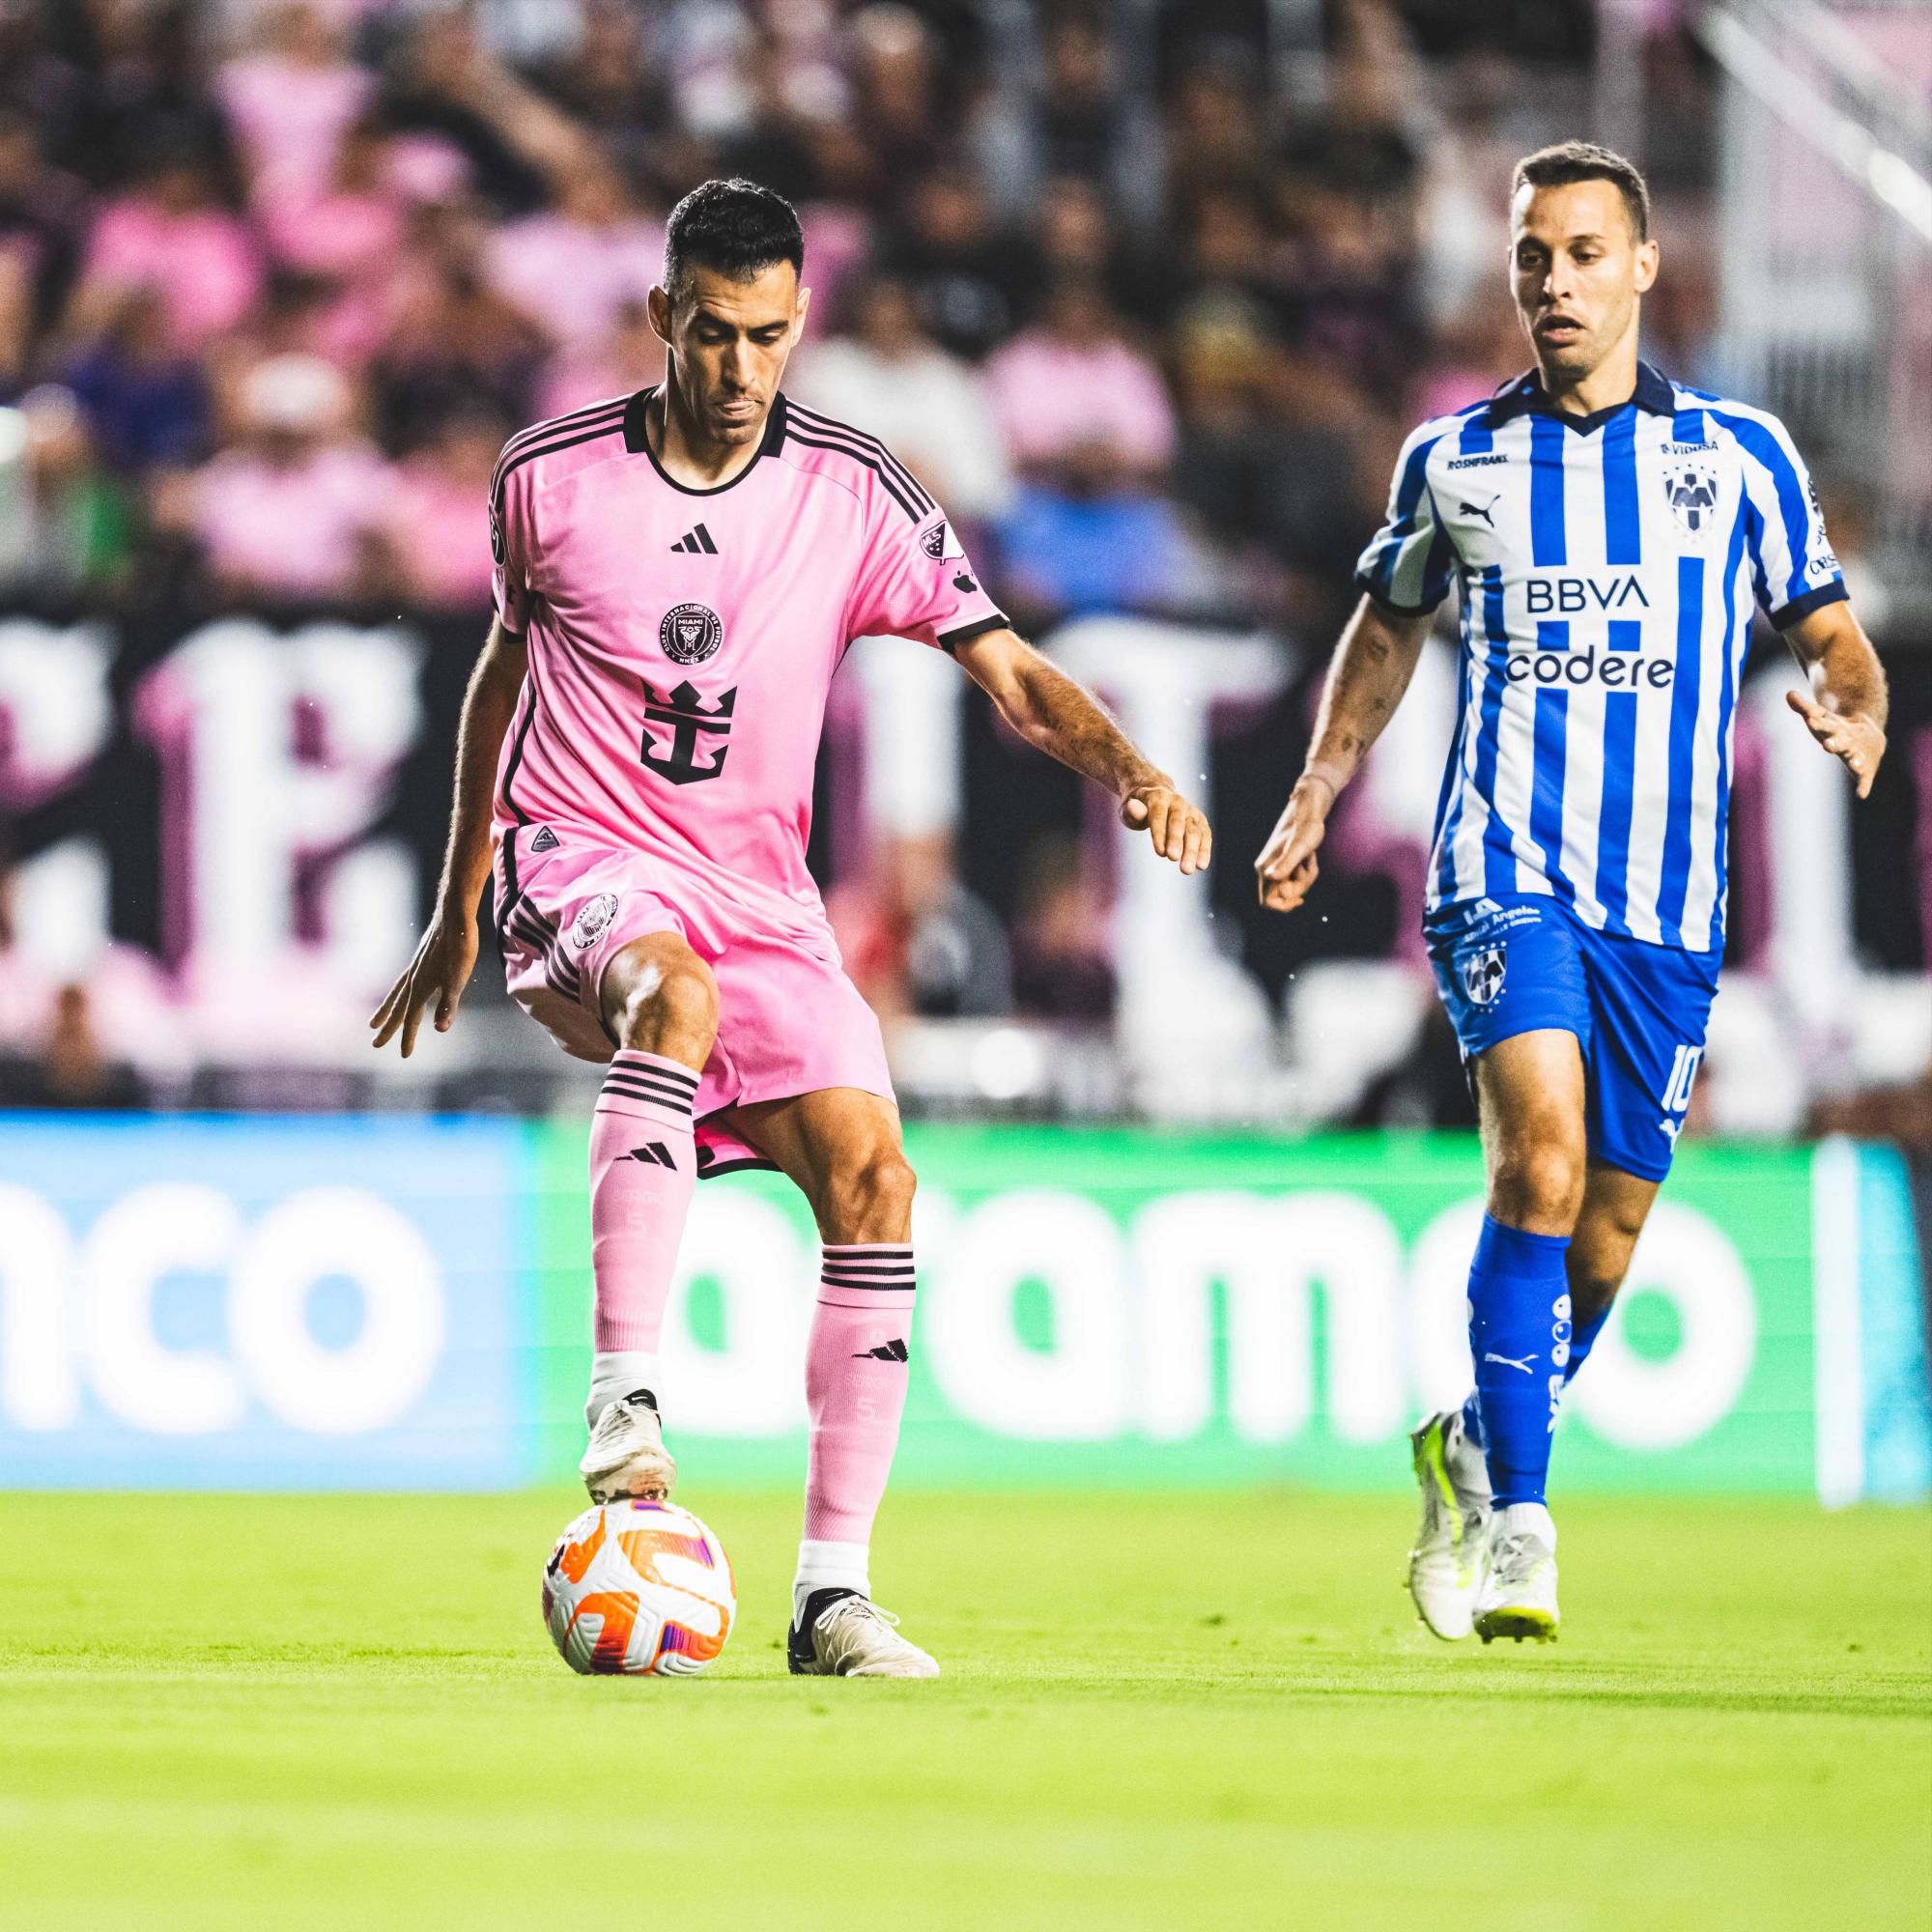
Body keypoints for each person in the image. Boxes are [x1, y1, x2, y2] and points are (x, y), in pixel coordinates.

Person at [371, 179, 1210, 1678]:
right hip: (584, 854)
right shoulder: (549, 478)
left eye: (766, 336)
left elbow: (1009, 671)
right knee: (671, 1001)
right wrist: (459, 898)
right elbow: (504, 676)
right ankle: (624, 1398)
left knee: (877, 1177)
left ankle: (831, 1598)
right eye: (711, 332)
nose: (740, 367)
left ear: (801, 319)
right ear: (663, 317)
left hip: (761, 897)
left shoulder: (855, 489)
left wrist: (1133, 768)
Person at [1254, 142, 1887, 1644]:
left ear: (1644, 268)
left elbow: (1830, 631)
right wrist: (1322, 780)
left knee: (1603, 1237)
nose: (1556, 281)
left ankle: (1474, 1445)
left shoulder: (1740, 459)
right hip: (1506, 871)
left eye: (1586, 253)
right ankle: (1522, 1533)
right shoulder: (1454, 460)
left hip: (1666, 908)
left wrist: (1857, 702)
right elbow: (1387, 627)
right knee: (1536, 1164)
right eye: (1534, 254)